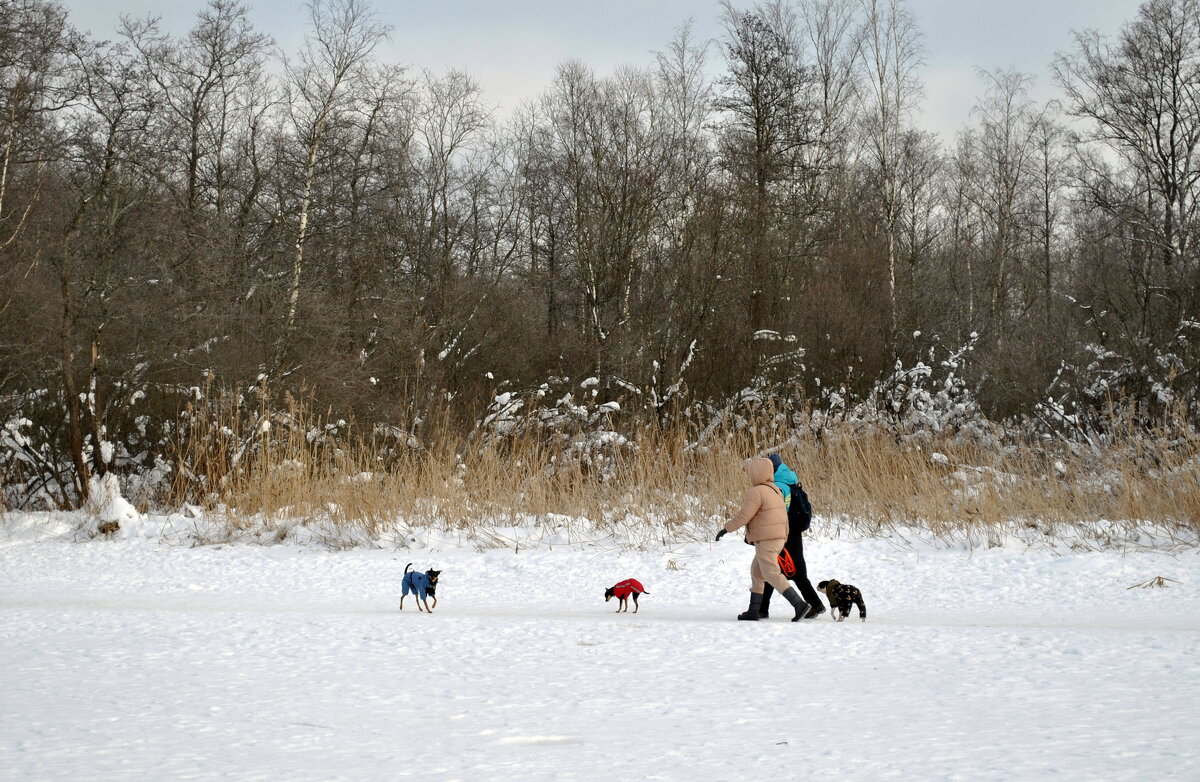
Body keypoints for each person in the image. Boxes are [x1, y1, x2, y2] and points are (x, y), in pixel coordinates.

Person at [715, 456, 810, 621]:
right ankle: (754, 611)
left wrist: (726, 528)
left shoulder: (757, 491)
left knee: (771, 573)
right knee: (757, 572)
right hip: (778, 538)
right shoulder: (775, 489)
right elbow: (784, 515)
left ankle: (799, 605)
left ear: (756, 473)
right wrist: (784, 535)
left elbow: (745, 515)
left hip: (767, 539)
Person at [760, 453, 825, 620]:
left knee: (774, 570)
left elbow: (773, 513)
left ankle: (815, 605)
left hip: (783, 534)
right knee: (777, 570)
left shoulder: (777, 485)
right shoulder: (790, 480)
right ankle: (762, 608)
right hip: (792, 534)